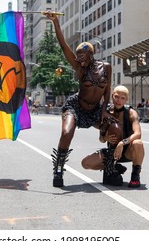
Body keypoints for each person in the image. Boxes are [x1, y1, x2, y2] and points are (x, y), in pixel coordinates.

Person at [44, 11, 112, 187]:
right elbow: (63, 45)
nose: (79, 58)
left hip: (96, 109)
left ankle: (111, 165)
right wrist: (55, 22)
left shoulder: (106, 67)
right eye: (78, 55)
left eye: (82, 55)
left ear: (90, 54)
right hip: (76, 106)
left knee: (115, 129)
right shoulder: (79, 68)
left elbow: (107, 90)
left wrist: (104, 110)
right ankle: (58, 169)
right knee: (67, 133)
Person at [81, 85, 145, 188]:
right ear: (112, 96)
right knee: (85, 163)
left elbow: (138, 134)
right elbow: (101, 139)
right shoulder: (105, 113)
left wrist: (122, 143)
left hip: (127, 150)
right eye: (116, 97)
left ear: (126, 100)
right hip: (111, 152)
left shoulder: (131, 113)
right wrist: (105, 138)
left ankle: (135, 176)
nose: (119, 100)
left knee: (138, 143)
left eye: (122, 98)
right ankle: (115, 167)